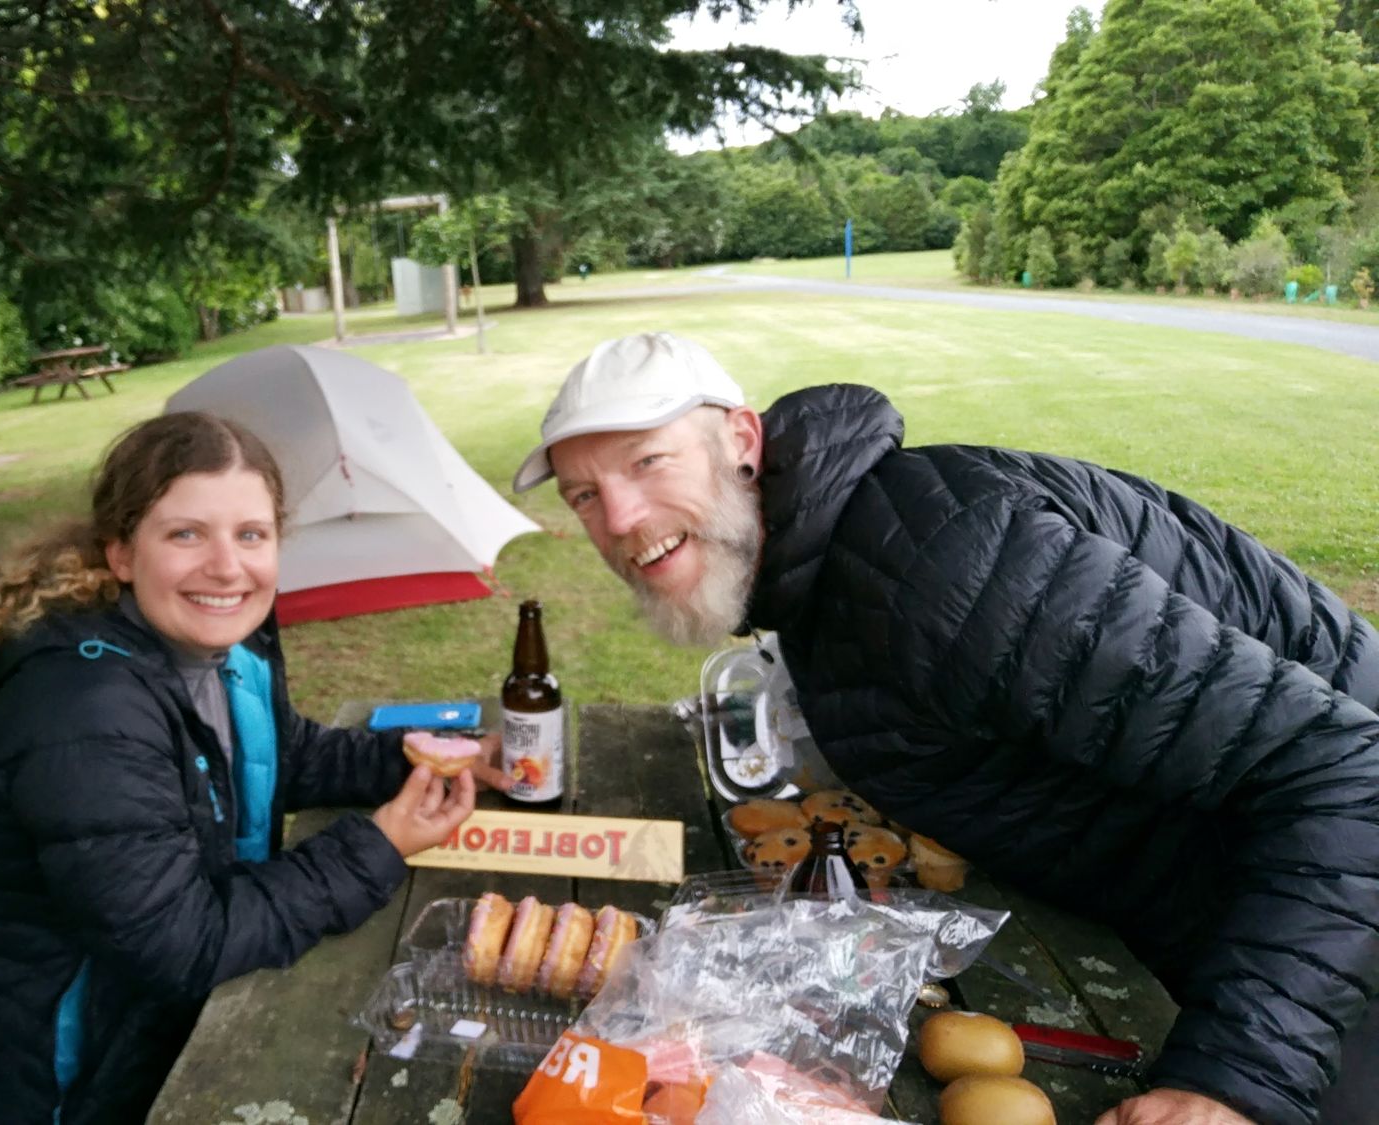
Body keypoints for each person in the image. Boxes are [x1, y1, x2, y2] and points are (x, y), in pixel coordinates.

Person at [515, 332, 1379, 1125]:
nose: (619, 520)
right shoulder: (821, 572)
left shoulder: (941, 561)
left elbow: (1342, 766)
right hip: (1220, 901)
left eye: (648, 462)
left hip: (1332, 897)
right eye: (585, 494)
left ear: (742, 440)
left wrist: (1231, 1081)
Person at [0, 411, 494, 1123]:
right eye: (186, 534)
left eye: (251, 535)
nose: (228, 567)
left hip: (161, 1017)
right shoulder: (84, 709)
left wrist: (435, 754)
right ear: (121, 554)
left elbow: (281, 755)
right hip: (71, 1073)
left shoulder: (223, 651)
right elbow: (181, 944)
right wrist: (378, 845)